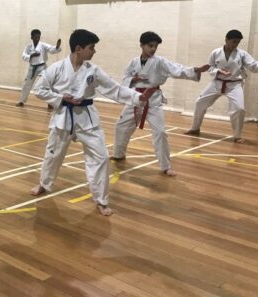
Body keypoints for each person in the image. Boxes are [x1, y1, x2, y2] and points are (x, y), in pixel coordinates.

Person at [29, 29, 155, 216]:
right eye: (91, 48)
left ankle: (101, 200)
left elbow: (115, 90)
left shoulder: (93, 71)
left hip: (87, 119)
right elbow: (38, 89)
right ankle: (44, 184)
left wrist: (138, 97)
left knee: (101, 157)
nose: (94, 51)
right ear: (78, 49)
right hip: (63, 116)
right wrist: (60, 98)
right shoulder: (56, 68)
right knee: (53, 154)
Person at [111, 31, 210, 176]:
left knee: (161, 132)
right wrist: (133, 79)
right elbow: (125, 78)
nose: (153, 49)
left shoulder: (160, 62)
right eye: (150, 46)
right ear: (141, 45)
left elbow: (177, 70)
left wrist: (195, 70)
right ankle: (118, 154)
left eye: (155, 46)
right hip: (135, 98)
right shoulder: (133, 62)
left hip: (153, 101)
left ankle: (165, 166)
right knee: (121, 126)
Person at [185, 29, 258, 143]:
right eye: (234, 41)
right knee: (200, 102)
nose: (235, 44)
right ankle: (195, 128)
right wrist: (218, 72)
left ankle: (237, 136)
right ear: (226, 40)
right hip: (217, 83)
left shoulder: (242, 54)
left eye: (238, 42)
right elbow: (210, 67)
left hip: (234, 85)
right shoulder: (216, 52)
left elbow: (254, 66)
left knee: (239, 109)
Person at [16, 29, 61, 108]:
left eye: (38, 37)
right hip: (32, 67)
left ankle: (50, 103)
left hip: (42, 67)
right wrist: (31, 56)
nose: (37, 39)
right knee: (26, 85)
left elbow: (51, 49)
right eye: (35, 37)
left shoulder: (43, 45)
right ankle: (21, 101)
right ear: (32, 37)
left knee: (47, 83)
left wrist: (56, 47)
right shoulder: (28, 46)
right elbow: (23, 55)